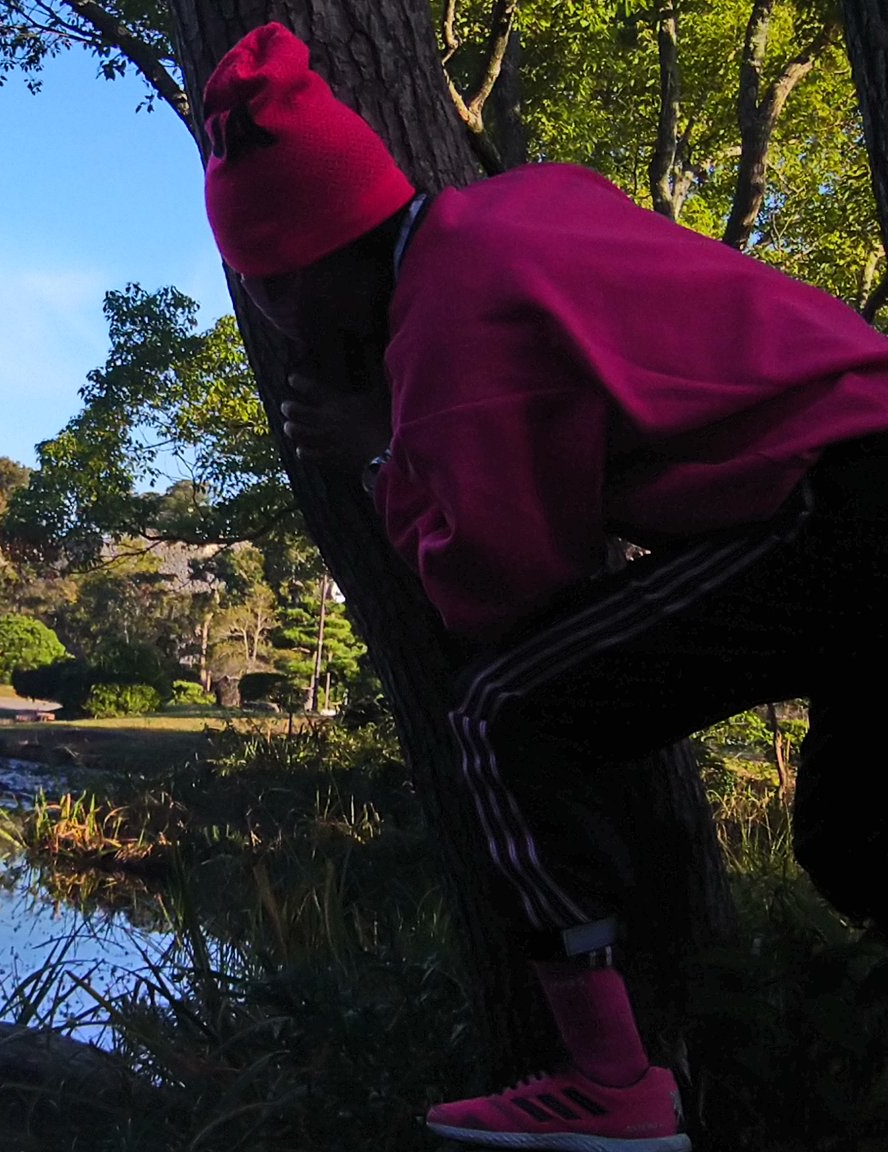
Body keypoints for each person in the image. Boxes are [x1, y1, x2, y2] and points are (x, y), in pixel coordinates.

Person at [198, 21, 888, 1152]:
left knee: (497, 711)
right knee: (855, 841)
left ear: (302, 269)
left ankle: (611, 1082)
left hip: (845, 509)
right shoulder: (521, 207)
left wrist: (382, 452)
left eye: (259, 287)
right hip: (851, 476)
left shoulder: (450, 322)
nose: (268, 322)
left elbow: (500, 592)